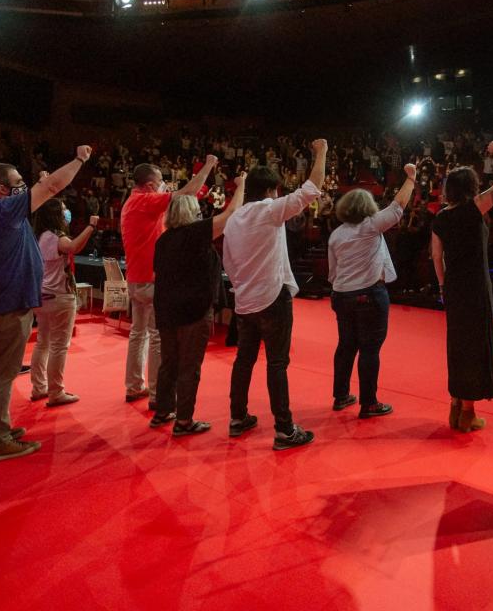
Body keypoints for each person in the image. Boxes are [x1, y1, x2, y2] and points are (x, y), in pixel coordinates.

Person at [0, 145, 92, 463]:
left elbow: (44, 190)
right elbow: (49, 187)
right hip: (4, 305)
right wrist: (78, 160)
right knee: (0, 376)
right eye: (18, 182)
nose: (23, 186)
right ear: (3, 189)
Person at [222, 138, 329, 450]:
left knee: (244, 360)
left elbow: (229, 262)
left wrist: (241, 288)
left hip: (244, 301)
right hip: (271, 297)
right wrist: (321, 153)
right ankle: (284, 429)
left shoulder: (234, 219)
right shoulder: (269, 210)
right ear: (272, 191)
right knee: (277, 363)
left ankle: (237, 417)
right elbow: (312, 188)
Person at [150, 176, 245, 434]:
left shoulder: (163, 240)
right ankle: (183, 421)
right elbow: (231, 212)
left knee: (168, 364)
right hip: (192, 311)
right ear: (192, 212)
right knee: (189, 367)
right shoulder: (194, 232)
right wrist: (241, 185)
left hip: (167, 311)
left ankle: (162, 411)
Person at [119, 157, 216, 409]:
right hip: (151, 280)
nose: (165, 186)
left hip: (134, 278)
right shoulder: (145, 201)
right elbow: (185, 195)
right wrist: (207, 167)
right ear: (151, 185)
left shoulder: (130, 202)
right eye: (162, 182)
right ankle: (156, 394)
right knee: (156, 337)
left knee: (138, 334)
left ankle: (133, 386)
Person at [431, 141, 493, 433]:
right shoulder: (475, 207)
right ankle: (468, 412)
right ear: (471, 187)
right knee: (476, 346)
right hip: (476, 287)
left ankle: (456, 404)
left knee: (457, 345)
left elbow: (436, 256)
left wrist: (442, 285)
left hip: (453, 287)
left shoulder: (441, 217)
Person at [327, 163, 418, 419]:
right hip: (368, 295)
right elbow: (398, 206)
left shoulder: (336, 235)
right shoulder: (370, 226)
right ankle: (369, 403)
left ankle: (341, 395)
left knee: (346, 346)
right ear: (368, 208)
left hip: (342, 295)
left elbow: (333, 272)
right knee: (369, 349)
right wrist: (410, 179)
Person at [28, 199, 99, 407]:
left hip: (42, 295)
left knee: (43, 343)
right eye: (63, 209)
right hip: (59, 296)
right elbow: (73, 247)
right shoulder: (57, 237)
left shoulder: (39, 236)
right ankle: (56, 391)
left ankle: (39, 387)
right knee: (59, 346)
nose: (66, 211)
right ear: (56, 214)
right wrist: (91, 226)